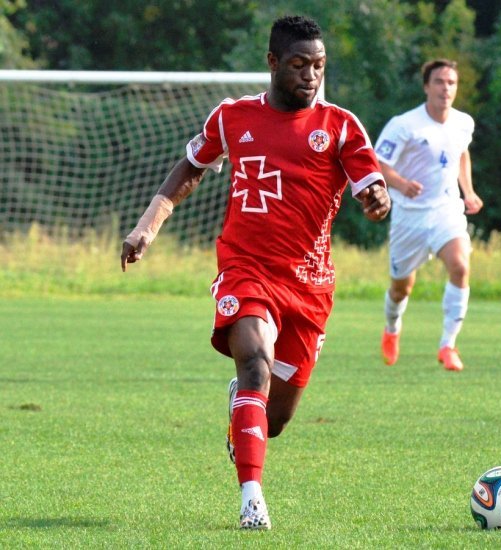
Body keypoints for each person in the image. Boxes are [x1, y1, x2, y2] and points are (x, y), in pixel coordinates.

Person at [120, 15, 390, 529]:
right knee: (255, 366)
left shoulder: (340, 126)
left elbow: (369, 184)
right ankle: (252, 499)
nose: (310, 75)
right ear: (272, 63)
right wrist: (147, 227)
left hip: (309, 286)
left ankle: (244, 413)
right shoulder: (233, 116)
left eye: (318, 65)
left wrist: (378, 199)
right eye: (299, 64)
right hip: (245, 267)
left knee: (276, 419)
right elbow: (191, 168)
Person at [374, 59, 483, 372]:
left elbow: (461, 153)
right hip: (409, 217)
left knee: (460, 266)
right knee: (401, 288)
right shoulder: (404, 125)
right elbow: (378, 162)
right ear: (426, 86)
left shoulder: (463, 123)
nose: (445, 88)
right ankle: (392, 328)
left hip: (446, 210)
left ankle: (448, 345)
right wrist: (401, 184)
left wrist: (468, 190)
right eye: (439, 82)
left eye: (451, 82)